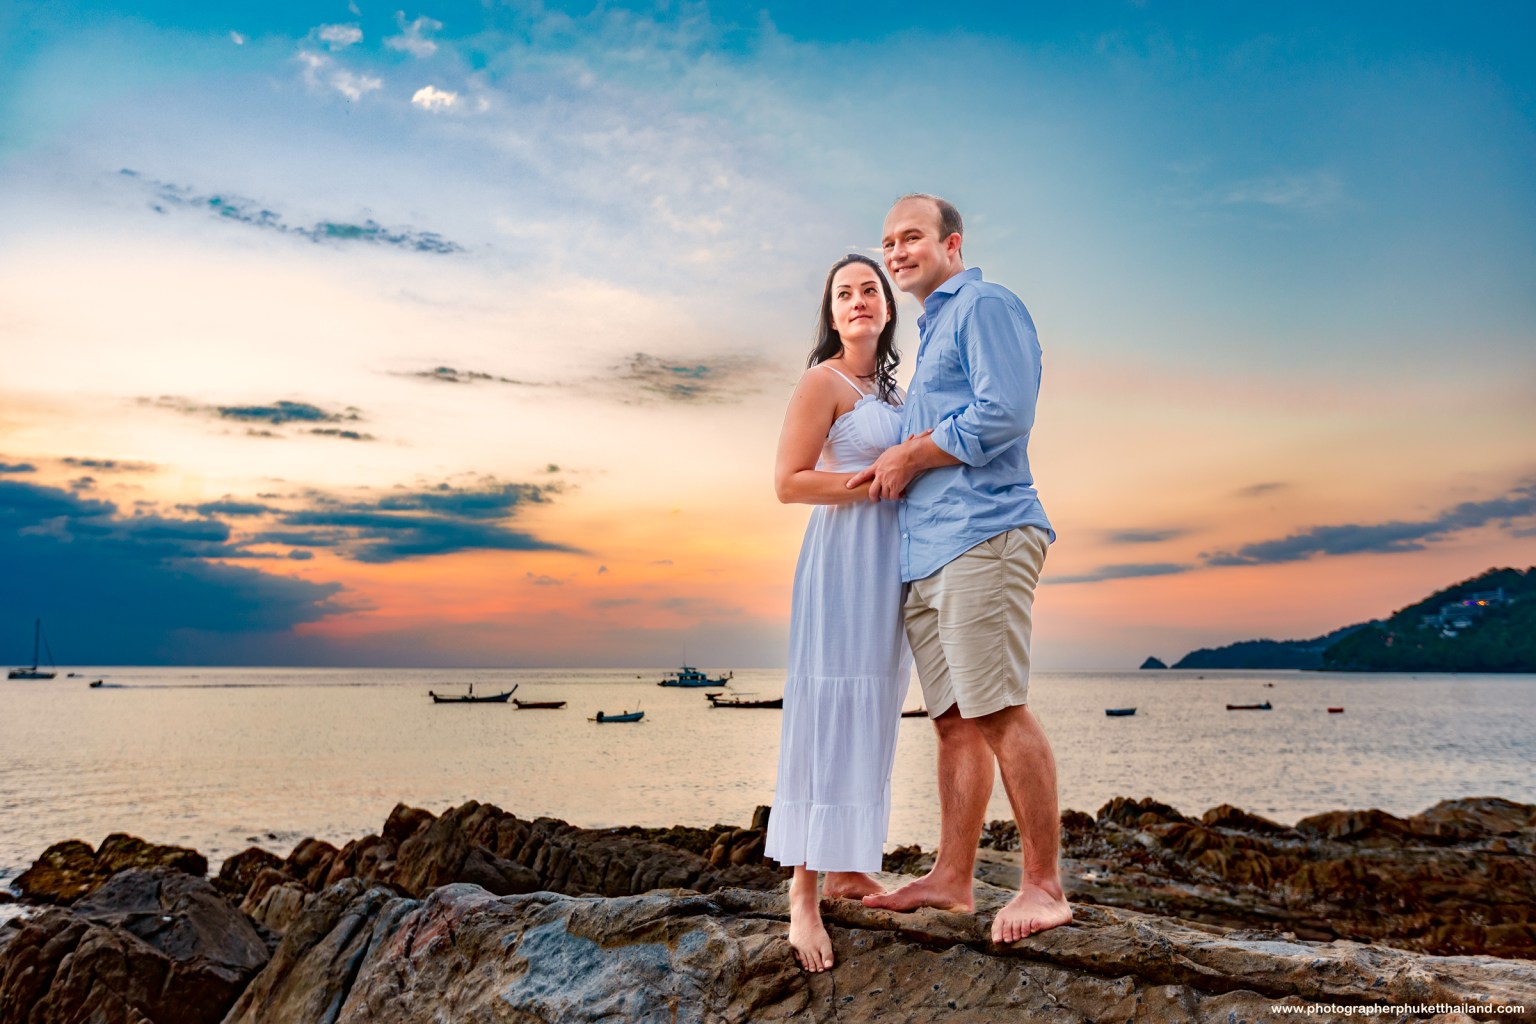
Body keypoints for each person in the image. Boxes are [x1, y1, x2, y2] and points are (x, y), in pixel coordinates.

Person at [850, 194, 1073, 944]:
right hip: (929, 550)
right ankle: (952, 879)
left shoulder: (983, 303)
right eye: (887, 241)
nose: (896, 250)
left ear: (951, 243)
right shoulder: (932, 330)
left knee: (998, 709)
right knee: (953, 725)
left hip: (984, 534)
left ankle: (1044, 887)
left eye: (910, 236)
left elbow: (1005, 411)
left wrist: (911, 453)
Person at [763, 253, 912, 973]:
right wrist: (873, 480)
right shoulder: (821, 382)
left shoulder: (894, 388)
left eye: (869, 291)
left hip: (891, 568)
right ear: (831, 314)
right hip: (841, 563)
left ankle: (851, 864)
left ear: (887, 308)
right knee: (827, 708)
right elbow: (788, 483)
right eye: (844, 293)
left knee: (875, 708)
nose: (858, 301)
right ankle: (803, 893)